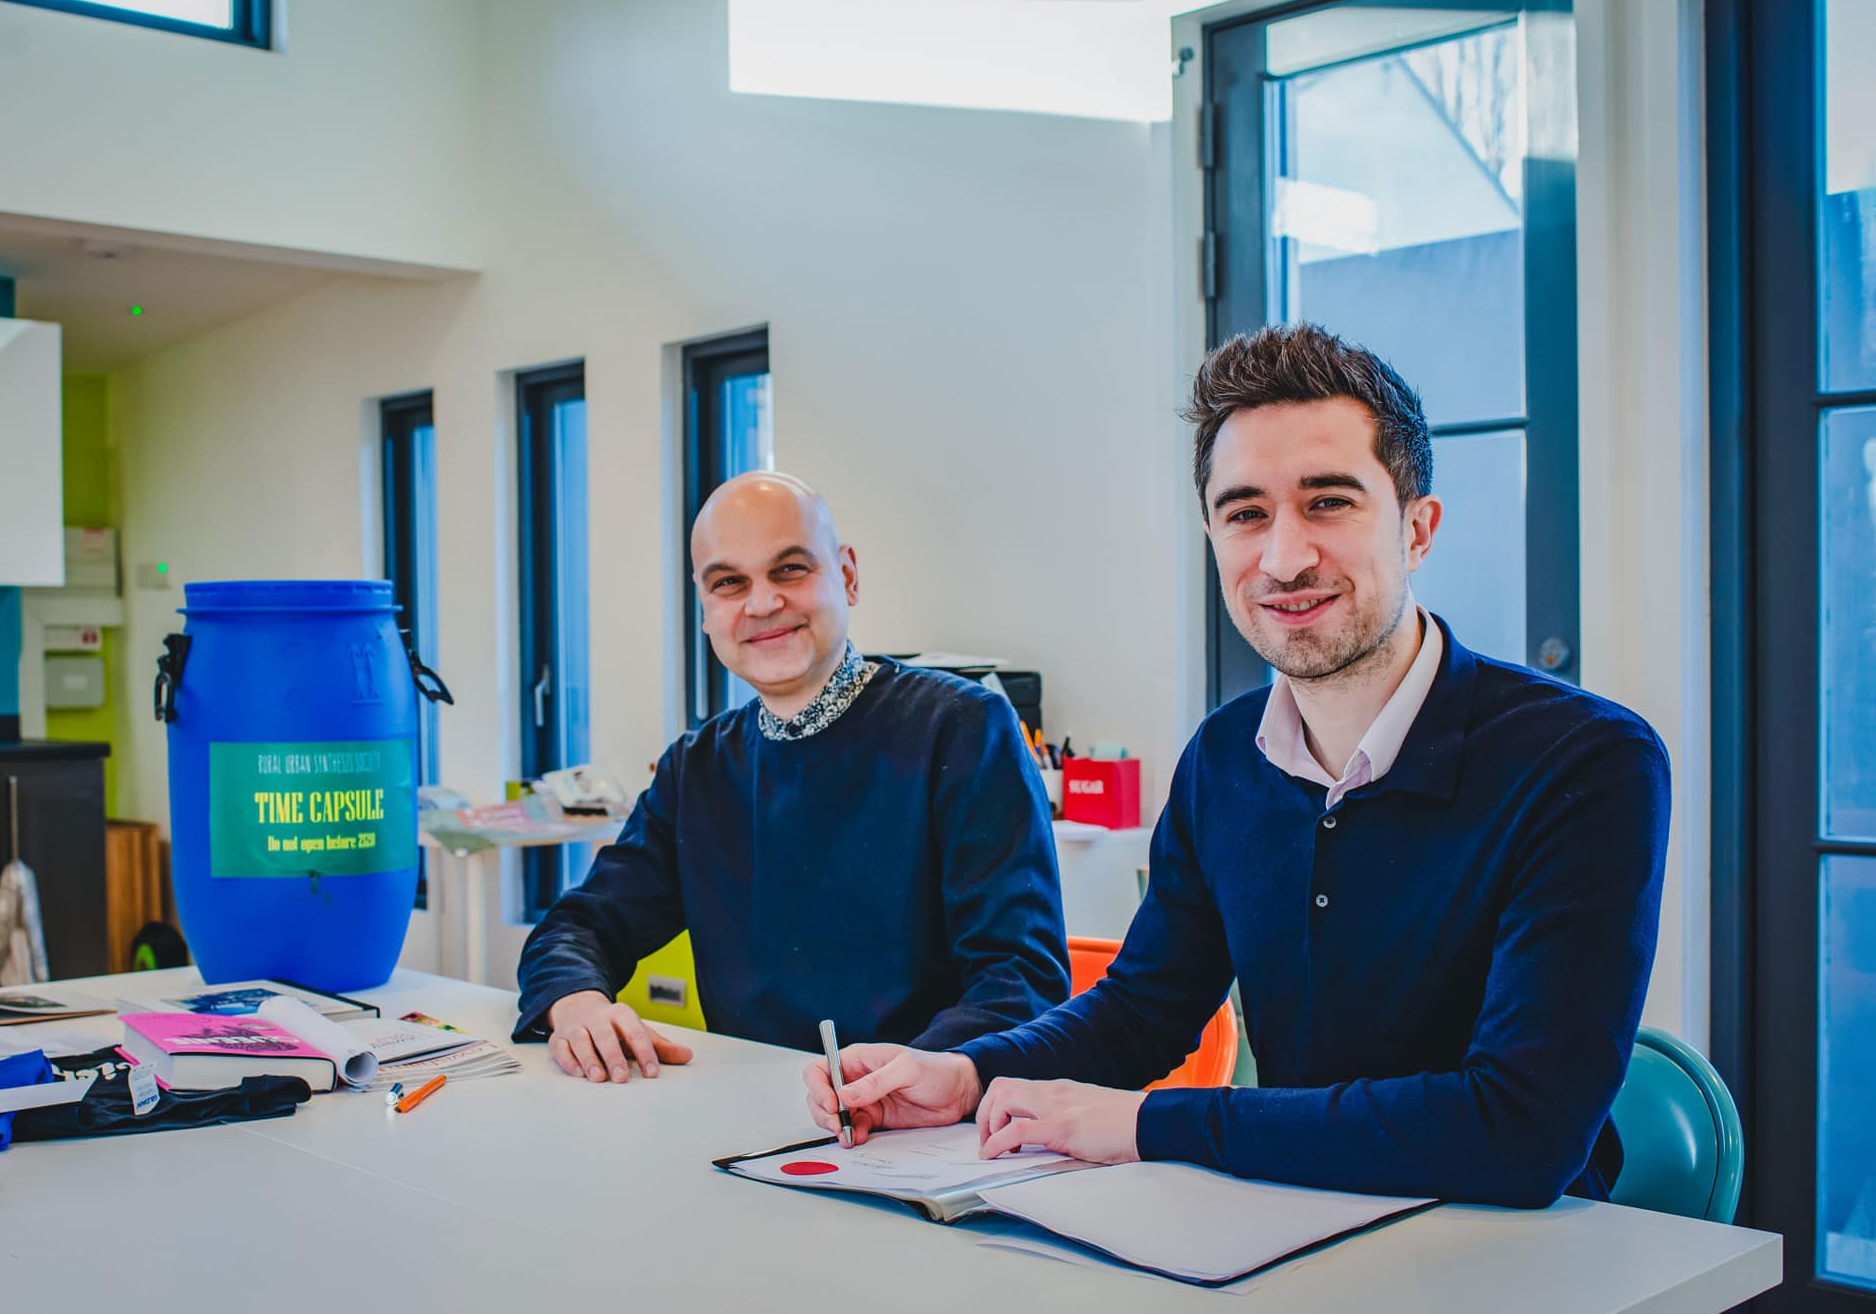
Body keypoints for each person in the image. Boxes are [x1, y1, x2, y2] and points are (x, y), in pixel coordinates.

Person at [805, 324, 1669, 1208]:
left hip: (1521, 1261)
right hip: (1283, 1225)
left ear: (1418, 529)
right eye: (1246, 512)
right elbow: (1143, 1008)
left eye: (1329, 502)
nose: (1284, 556)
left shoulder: (1587, 763)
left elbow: (1518, 1133)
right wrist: (965, 1072)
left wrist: (1149, 1124)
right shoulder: (1224, 757)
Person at [516, 471, 1069, 1085]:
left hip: (929, 1128)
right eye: (729, 583)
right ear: (705, 612)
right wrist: (577, 1003)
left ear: (848, 576)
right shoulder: (695, 769)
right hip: (747, 1118)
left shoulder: (963, 727)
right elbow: (577, 927)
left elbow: (1021, 980)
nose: (761, 604)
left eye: (790, 570)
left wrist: (910, 1075)